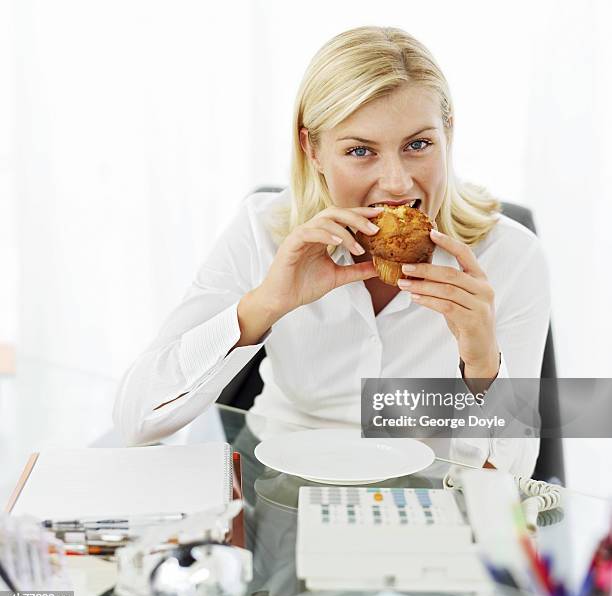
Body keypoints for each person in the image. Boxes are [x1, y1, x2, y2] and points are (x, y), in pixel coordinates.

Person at [113, 26, 550, 476]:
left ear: (448, 134)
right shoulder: (262, 230)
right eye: (361, 150)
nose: (397, 182)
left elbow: (512, 474)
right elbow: (137, 420)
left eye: (418, 145)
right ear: (313, 150)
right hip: (280, 478)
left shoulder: (512, 256)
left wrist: (483, 364)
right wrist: (264, 305)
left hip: (431, 490)